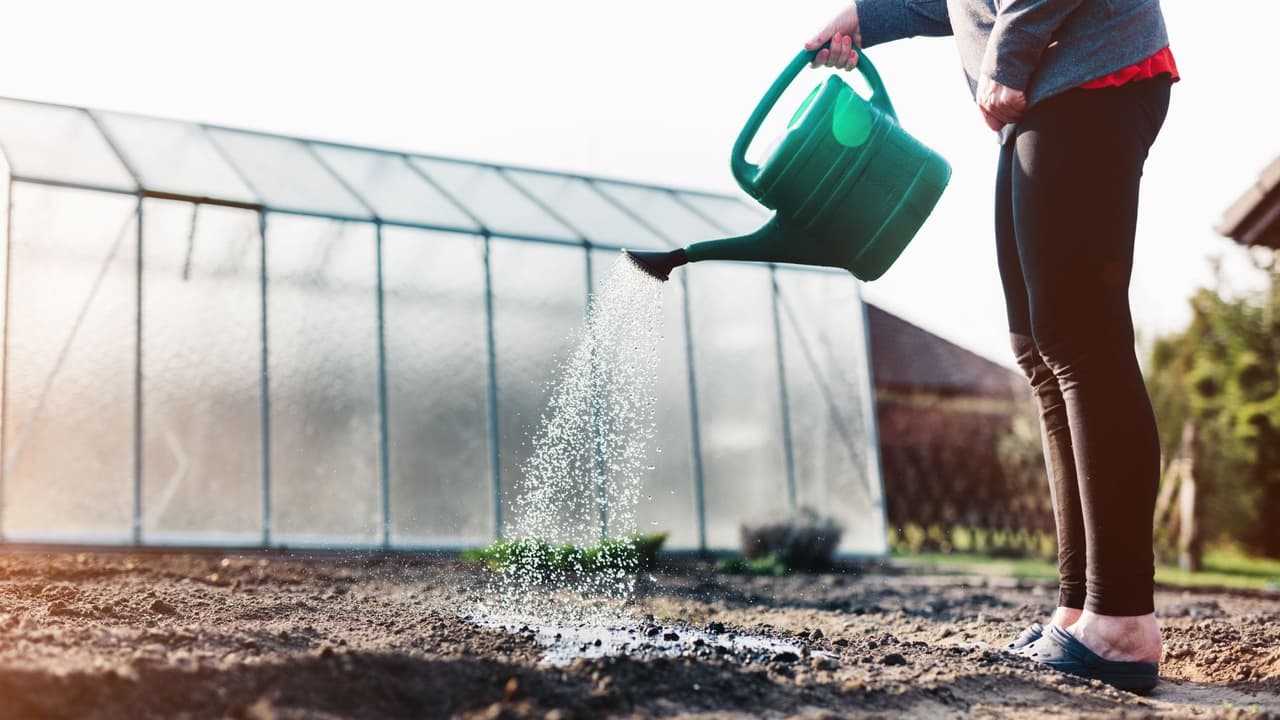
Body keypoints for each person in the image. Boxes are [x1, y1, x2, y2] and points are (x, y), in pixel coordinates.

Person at [805, 0, 1177, 692]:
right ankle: (1083, 606)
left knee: (1081, 339)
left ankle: (1123, 619)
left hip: (1087, 69)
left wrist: (1008, 52)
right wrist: (868, 16)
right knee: (1041, 349)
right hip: (1049, 82)